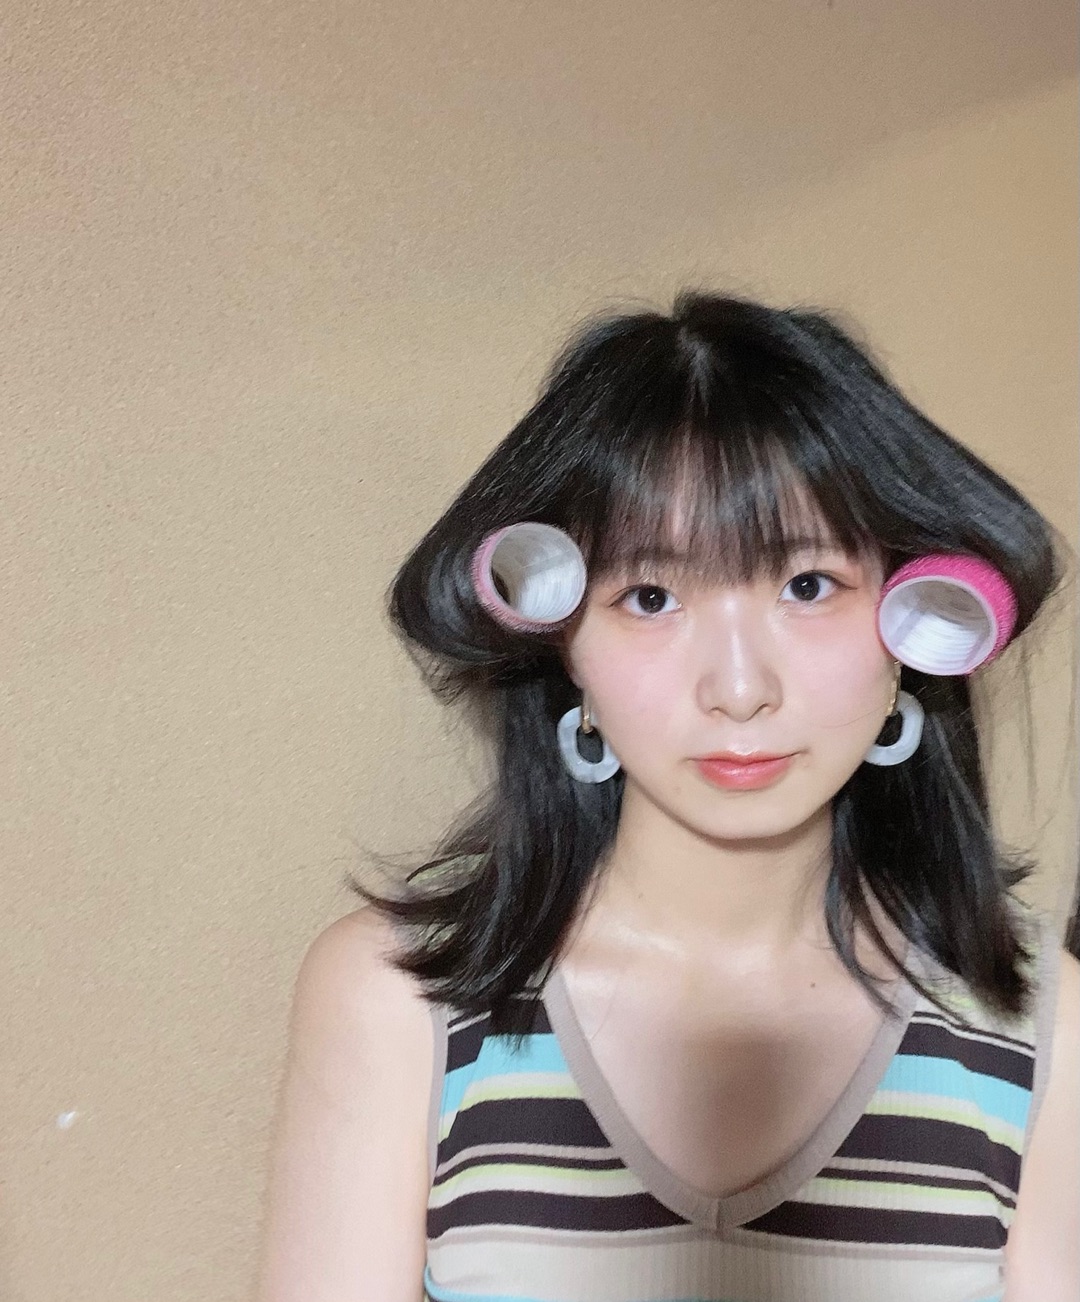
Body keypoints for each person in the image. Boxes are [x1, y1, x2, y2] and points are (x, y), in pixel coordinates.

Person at [256, 292, 1080, 1302]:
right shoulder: (397, 999)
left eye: (808, 585)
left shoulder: (1045, 1025)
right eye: (650, 598)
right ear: (565, 641)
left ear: (917, 617)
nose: (738, 689)